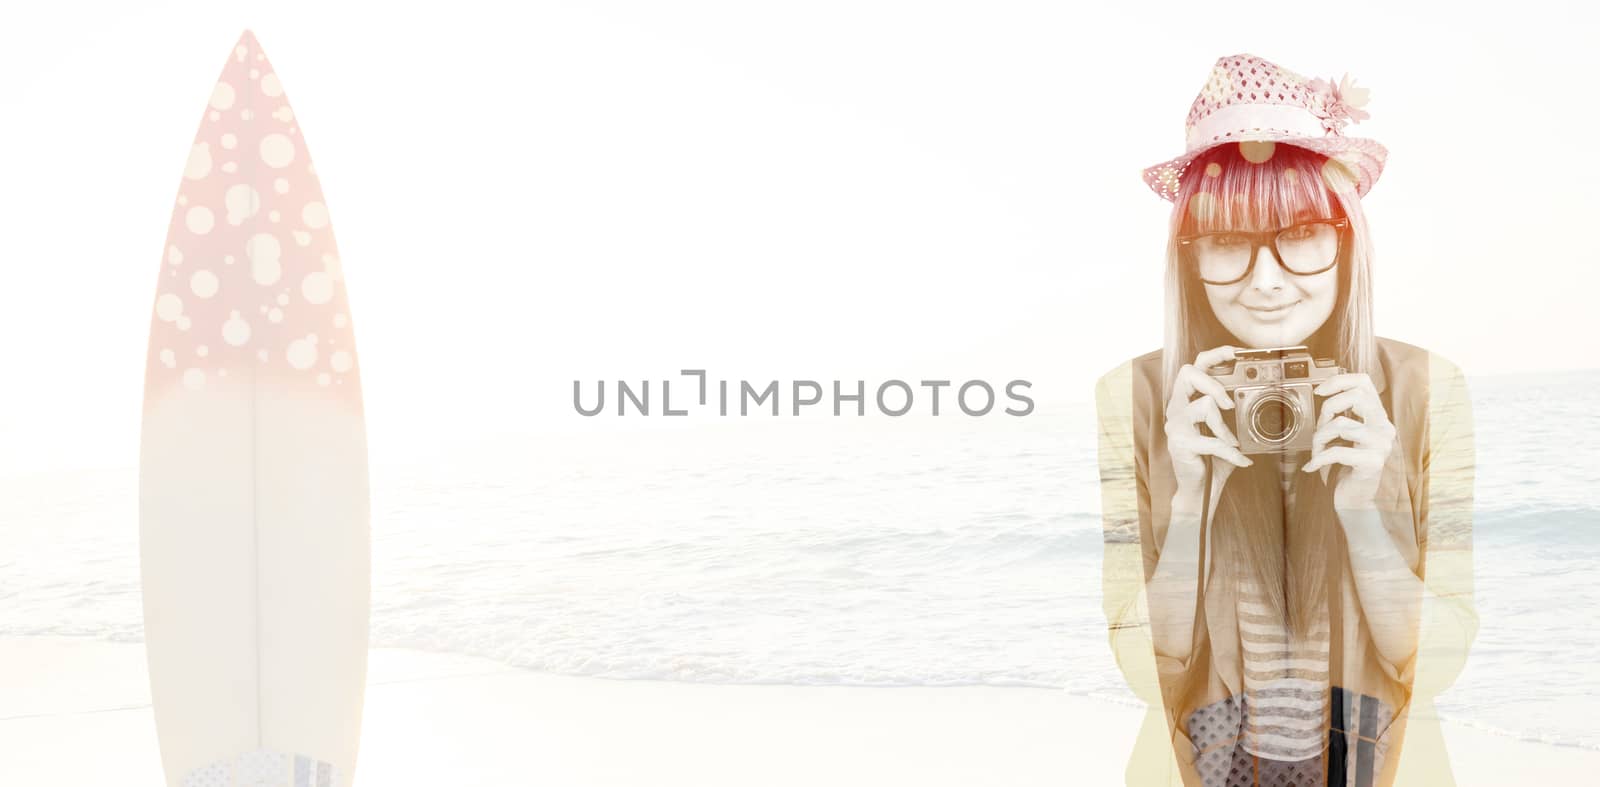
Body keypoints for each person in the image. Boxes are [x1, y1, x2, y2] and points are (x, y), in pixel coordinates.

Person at [1094, 54, 1477, 787]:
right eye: (1229, 244)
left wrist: (1364, 512)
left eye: (1301, 233)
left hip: (1378, 760)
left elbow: (1439, 665)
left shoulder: (1426, 388)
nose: (1266, 282)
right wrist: (1190, 502)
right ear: (1190, 255)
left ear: (1346, 239)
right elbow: (1146, 671)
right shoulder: (1137, 397)